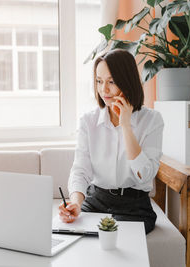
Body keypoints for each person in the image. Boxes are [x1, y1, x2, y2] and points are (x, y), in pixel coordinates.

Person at [58, 49, 164, 234]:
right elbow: (80, 170)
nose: (103, 89)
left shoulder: (152, 120)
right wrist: (75, 202)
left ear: (127, 81)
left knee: (117, 240)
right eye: (99, 81)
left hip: (134, 206)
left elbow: (145, 175)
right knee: (75, 237)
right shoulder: (88, 121)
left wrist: (126, 126)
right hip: (96, 200)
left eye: (111, 82)